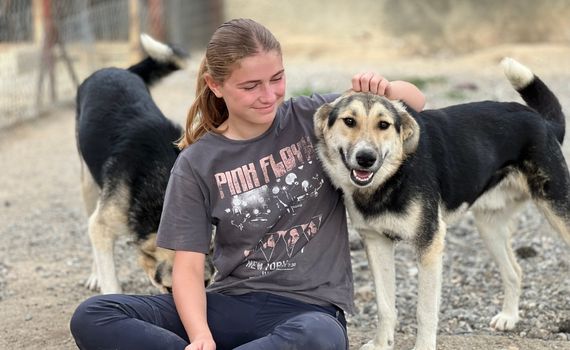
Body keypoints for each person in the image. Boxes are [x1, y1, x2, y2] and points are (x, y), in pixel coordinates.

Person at [70, 18, 425, 350]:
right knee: (94, 314)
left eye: (277, 79)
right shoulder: (195, 162)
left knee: (319, 337)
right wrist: (201, 337)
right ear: (216, 85)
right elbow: (189, 267)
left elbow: (415, 102)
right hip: (228, 304)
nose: (269, 95)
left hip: (308, 312)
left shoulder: (313, 118)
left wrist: (385, 87)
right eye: (251, 86)